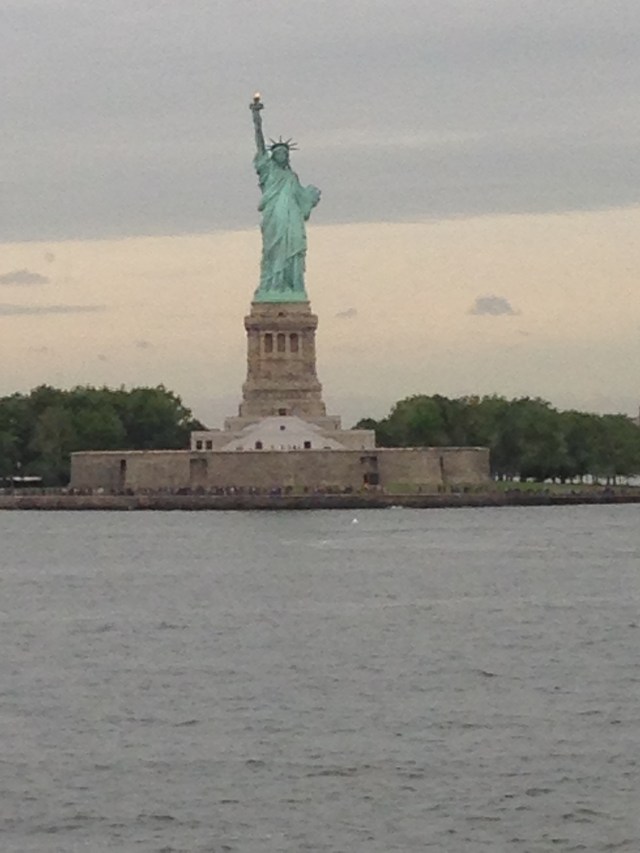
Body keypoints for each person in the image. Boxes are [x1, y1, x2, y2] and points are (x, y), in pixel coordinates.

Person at [250, 94, 321, 299]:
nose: (282, 155)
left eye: (285, 153)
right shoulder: (268, 171)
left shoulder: (292, 177)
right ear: (273, 157)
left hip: (291, 219)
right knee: (274, 250)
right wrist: (257, 120)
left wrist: (311, 196)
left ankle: (291, 286)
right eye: (278, 153)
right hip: (274, 216)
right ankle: (273, 285)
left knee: (293, 249)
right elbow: (260, 146)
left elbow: (303, 199)